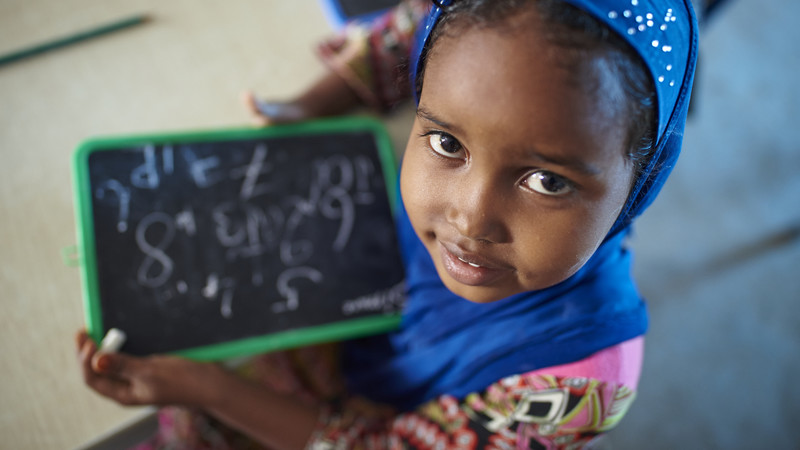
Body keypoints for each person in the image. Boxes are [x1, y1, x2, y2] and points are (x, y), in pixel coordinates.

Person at [76, 0, 698, 448]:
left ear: (640, 184)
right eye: (448, 142)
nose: (469, 217)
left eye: (548, 181)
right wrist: (309, 106)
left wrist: (210, 391)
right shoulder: (455, 40)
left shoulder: (579, 385)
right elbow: (411, 33)